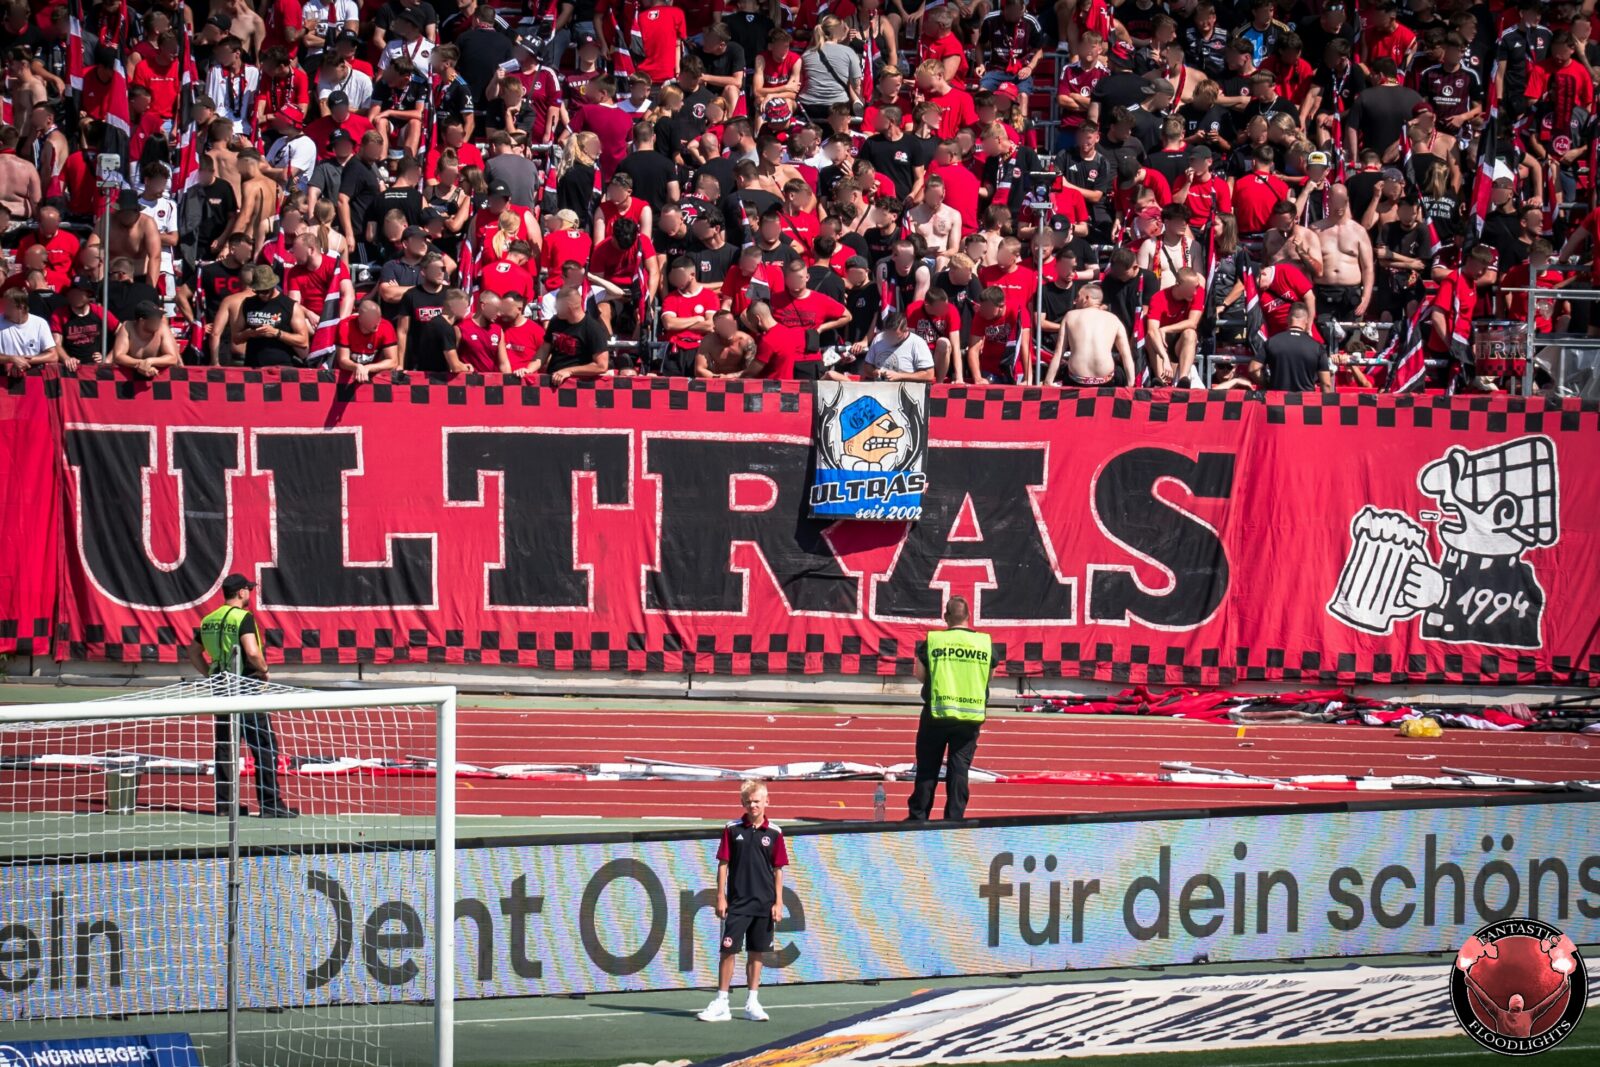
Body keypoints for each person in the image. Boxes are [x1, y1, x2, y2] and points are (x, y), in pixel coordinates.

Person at [186, 574, 296, 819]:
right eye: (249, 590)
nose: (251, 594)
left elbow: (193, 652)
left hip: (221, 687)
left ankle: (225, 805)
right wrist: (264, 670)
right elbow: (252, 651)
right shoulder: (243, 618)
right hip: (245, 686)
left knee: (226, 746)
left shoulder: (209, 619)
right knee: (263, 746)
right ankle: (270, 804)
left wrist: (210, 675)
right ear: (241, 592)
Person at [697, 778, 788, 1024]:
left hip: (764, 903)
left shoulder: (775, 833)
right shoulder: (732, 829)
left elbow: (778, 869)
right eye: (748, 802)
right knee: (728, 950)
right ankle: (722, 1002)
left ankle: (752, 1002)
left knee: (756, 953)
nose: (753, 806)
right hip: (737, 903)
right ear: (742, 803)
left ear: (767, 802)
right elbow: (723, 865)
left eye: (757, 801)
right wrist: (720, 896)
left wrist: (778, 902)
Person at [908, 596, 993, 821]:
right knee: (959, 770)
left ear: (946, 617)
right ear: (968, 617)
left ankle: (918, 818)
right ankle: (954, 819)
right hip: (970, 716)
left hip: (937, 713)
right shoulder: (984, 643)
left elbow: (920, 675)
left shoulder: (934, 641)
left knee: (928, 769)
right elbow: (989, 676)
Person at [1045, 283, 1135, 387]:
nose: (1075, 301)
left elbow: (1059, 352)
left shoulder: (1070, 316)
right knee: (1119, 372)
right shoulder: (1114, 319)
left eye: (1078, 296)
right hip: (1105, 380)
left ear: (1086, 298)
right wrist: (1130, 384)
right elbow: (1126, 355)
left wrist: (1048, 381)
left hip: (1077, 380)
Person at [1250, 303, 1333, 392]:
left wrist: (1268, 384)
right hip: (1305, 402)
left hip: (1277, 401)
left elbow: (1253, 369)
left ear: (1288, 319)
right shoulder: (1317, 347)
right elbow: (1326, 384)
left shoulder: (1272, 342)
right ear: (1307, 321)